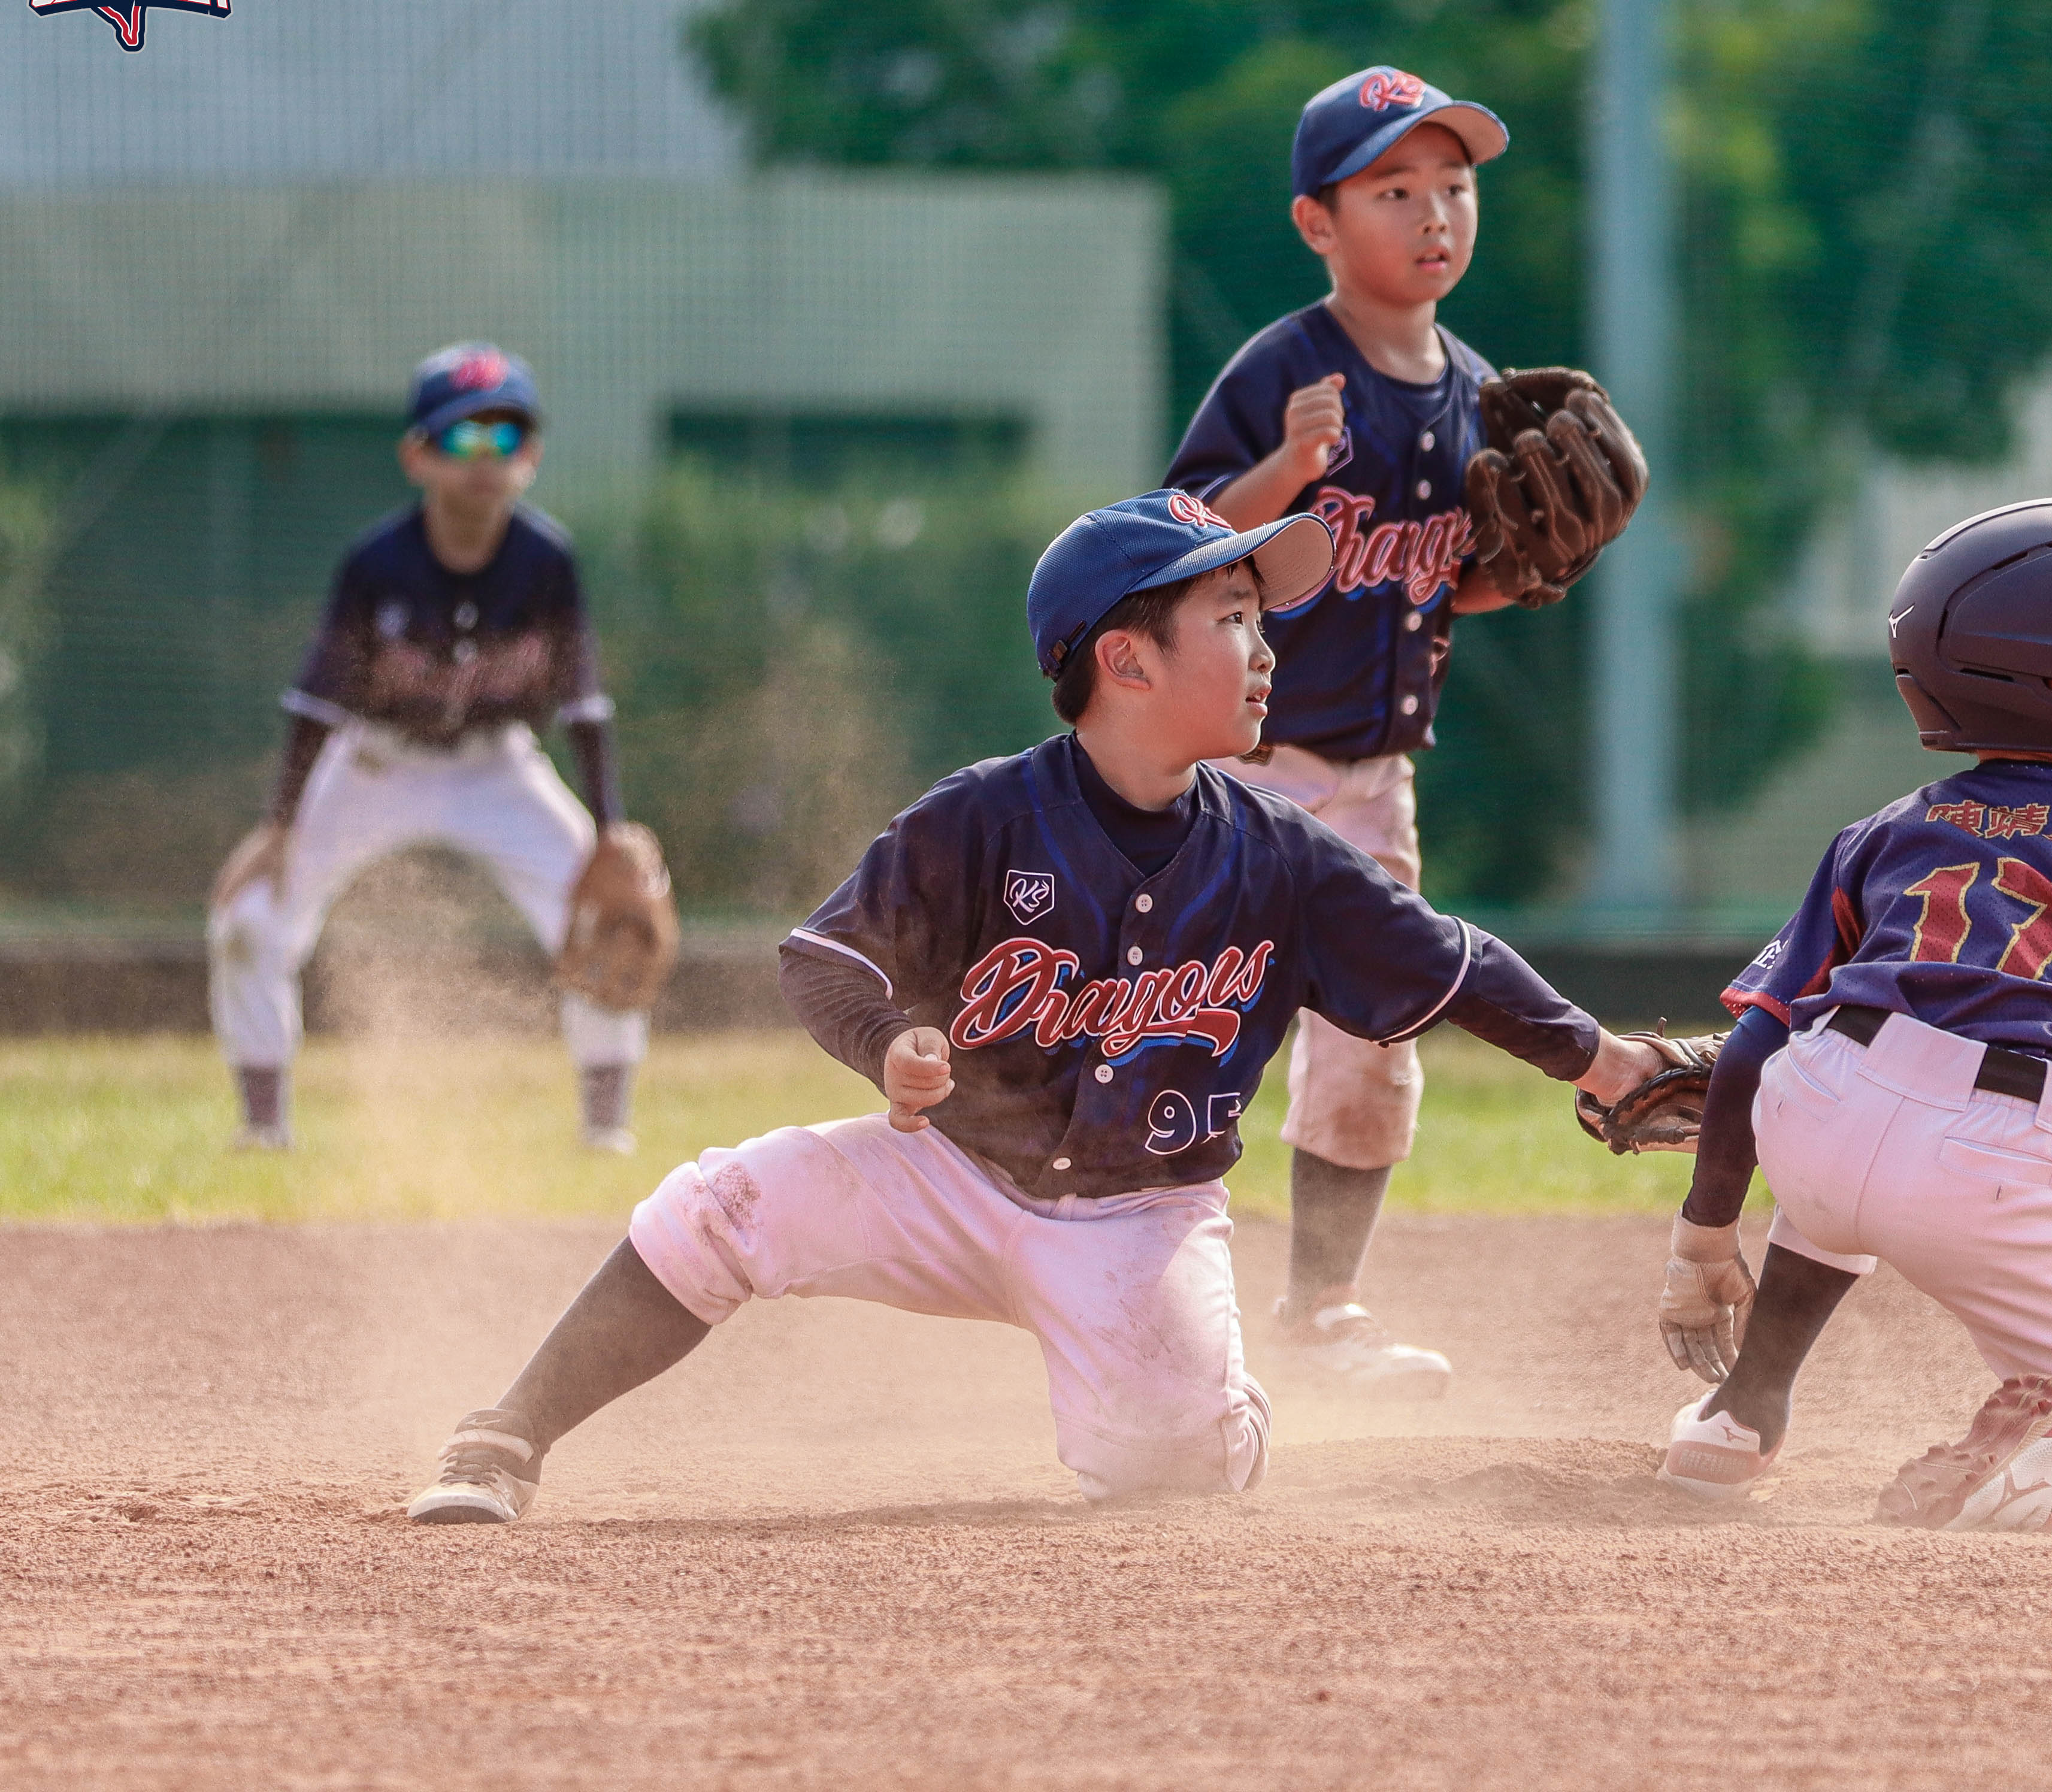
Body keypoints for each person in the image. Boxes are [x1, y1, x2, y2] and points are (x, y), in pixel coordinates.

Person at [402, 490, 1686, 1522]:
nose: (1266, 651)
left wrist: (1604, 1059)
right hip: (947, 1173)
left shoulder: (1282, 855)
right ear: (1126, 659)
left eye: (1260, 619)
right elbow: (825, 959)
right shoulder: (982, 818)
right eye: (1233, 617)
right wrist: (888, 1043)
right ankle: (503, 1435)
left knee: (1174, 1468)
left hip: (1139, 1218)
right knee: (721, 1205)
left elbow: (1451, 961)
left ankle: (1222, 1400)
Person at [1648, 497, 2052, 1531]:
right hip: (1988, 1158)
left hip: (1815, 1107)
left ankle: (1737, 1416)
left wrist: (1702, 1243)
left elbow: (1755, 1046)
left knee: (1842, 1155)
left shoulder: (1880, 833)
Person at [1160, 65, 1526, 1397]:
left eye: (1455, 186)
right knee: (1178, 1019)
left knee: (1377, 1036)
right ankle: (1114, 1278)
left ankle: (1320, 1311)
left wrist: (1538, 563)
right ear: (1318, 222)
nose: (1434, 215)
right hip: (1239, 772)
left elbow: (1451, 581)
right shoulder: (1283, 370)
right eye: (1393, 190)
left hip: (1377, 778)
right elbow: (1174, 540)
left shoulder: (1480, 392)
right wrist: (1284, 471)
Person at [208, 343, 649, 1154]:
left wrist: (610, 828)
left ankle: (605, 1130)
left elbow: (583, 705)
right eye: (460, 437)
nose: (485, 457)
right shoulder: (377, 562)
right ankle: (263, 1127)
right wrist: (279, 826)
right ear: (417, 455)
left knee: (611, 920)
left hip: (498, 766)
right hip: (376, 764)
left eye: (505, 436)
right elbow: (315, 704)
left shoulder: (548, 560)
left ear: (531, 455)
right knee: (248, 918)